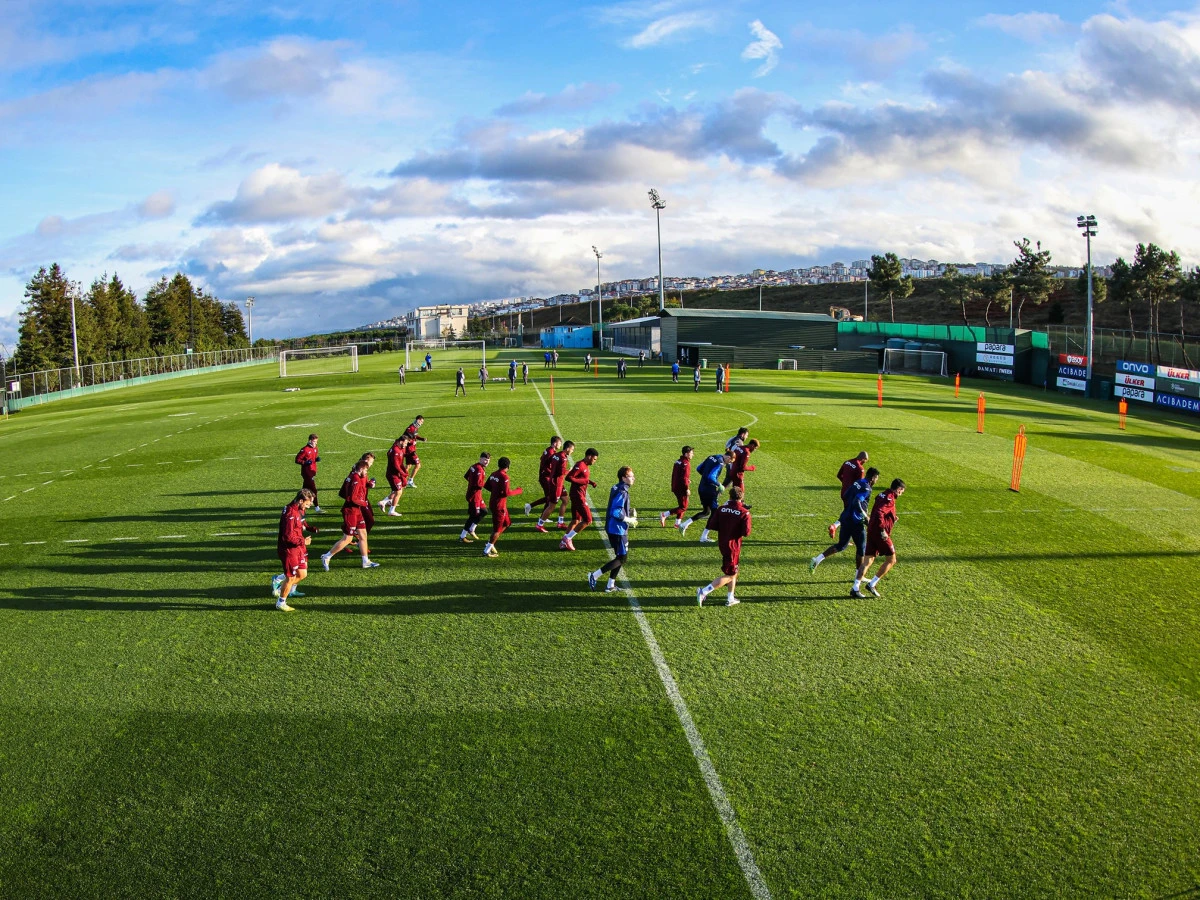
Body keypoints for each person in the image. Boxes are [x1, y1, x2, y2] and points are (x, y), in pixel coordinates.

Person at [810, 467, 880, 577]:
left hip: (846, 518)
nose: (876, 481)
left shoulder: (858, 482)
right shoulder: (867, 488)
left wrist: (850, 509)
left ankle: (817, 559)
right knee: (861, 548)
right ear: (873, 478)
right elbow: (857, 501)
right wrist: (864, 515)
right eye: (877, 479)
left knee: (841, 545)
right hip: (856, 521)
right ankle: (859, 576)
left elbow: (847, 495)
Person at [695, 486, 751, 608]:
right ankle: (704, 591)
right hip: (733, 547)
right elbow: (746, 532)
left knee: (734, 571)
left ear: (729, 496)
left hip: (723, 543)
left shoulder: (722, 509)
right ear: (741, 498)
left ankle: (730, 598)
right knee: (730, 575)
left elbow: (713, 525)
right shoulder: (744, 512)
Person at [320, 457, 381, 570]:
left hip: (356, 511)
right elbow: (352, 498)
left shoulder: (353, 476)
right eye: (366, 470)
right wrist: (363, 502)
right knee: (348, 538)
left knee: (363, 535)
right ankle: (327, 556)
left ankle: (365, 561)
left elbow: (343, 492)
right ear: (361, 469)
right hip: (351, 512)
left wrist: (368, 485)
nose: (366, 473)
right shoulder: (355, 479)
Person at [854, 478, 906, 598]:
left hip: (872, 531)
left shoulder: (882, 494)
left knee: (868, 561)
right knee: (891, 560)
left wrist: (892, 517)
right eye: (902, 491)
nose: (902, 493)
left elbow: (880, 511)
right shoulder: (889, 498)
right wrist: (883, 530)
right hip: (879, 533)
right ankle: (872, 584)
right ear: (898, 489)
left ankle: (855, 588)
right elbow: (878, 513)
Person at [588, 466, 637, 592]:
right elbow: (616, 512)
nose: (633, 478)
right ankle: (594, 575)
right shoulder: (622, 491)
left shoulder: (616, 487)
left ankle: (610, 585)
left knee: (620, 557)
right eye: (631, 476)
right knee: (622, 558)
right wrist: (628, 519)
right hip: (617, 529)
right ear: (623, 478)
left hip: (612, 527)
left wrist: (628, 511)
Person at [272, 488, 317, 611]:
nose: (308, 506)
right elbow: (288, 537)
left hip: (298, 547)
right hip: (289, 550)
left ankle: (280, 585)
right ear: (301, 500)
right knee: (291, 577)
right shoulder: (290, 514)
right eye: (307, 504)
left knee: (302, 574)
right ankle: (281, 602)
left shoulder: (297, 509)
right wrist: (304, 541)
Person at [677, 450, 734, 539]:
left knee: (706, 511)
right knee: (714, 513)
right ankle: (704, 537)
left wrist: (705, 478)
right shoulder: (720, 463)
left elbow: (699, 468)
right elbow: (711, 477)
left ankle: (684, 524)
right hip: (710, 490)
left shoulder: (712, 456)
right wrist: (719, 485)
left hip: (701, 488)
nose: (728, 463)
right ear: (728, 458)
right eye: (729, 461)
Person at [560, 447, 599, 551]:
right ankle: (567, 538)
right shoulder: (580, 465)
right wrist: (584, 482)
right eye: (594, 459)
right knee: (588, 520)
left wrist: (590, 482)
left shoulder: (585, 465)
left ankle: (563, 543)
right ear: (589, 456)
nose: (595, 461)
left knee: (576, 520)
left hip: (577, 494)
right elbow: (569, 477)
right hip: (578, 496)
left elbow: (583, 479)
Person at [483, 456, 523, 557]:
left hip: (494, 503)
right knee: (497, 529)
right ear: (508, 466)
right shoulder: (504, 477)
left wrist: (496, 491)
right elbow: (506, 493)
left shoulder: (493, 474)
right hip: (499, 506)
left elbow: (487, 486)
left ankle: (490, 543)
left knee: (507, 523)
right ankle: (486, 550)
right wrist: (518, 491)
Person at [829, 451, 869, 539]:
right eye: (866, 460)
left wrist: (845, 484)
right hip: (852, 495)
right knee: (852, 514)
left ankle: (841, 531)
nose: (865, 462)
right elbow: (860, 485)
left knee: (848, 513)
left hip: (844, 492)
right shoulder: (860, 468)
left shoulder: (847, 462)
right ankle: (836, 528)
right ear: (864, 459)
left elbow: (839, 475)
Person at [526, 436, 563, 529]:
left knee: (549, 497)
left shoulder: (548, 450)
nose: (560, 445)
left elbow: (541, 459)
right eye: (559, 443)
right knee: (550, 498)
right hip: (545, 477)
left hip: (545, 476)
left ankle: (543, 515)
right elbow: (547, 464)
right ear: (555, 444)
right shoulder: (551, 453)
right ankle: (531, 506)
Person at [459, 451, 491, 542]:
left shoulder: (473, 466)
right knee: (473, 516)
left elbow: (466, 476)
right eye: (485, 460)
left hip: (476, 496)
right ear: (480, 459)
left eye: (488, 460)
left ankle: (471, 529)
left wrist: (471, 484)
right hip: (474, 497)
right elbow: (478, 484)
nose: (486, 462)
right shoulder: (479, 470)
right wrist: (490, 486)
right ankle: (462, 536)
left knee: (484, 511)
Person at [660, 446, 693, 528]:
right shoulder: (686, 464)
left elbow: (678, 475)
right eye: (691, 453)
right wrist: (687, 488)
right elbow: (684, 478)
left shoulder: (678, 461)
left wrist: (687, 481)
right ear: (686, 454)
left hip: (675, 486)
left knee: (682, 505)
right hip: (681, 488)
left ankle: (677, 523)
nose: (693, 455)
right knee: (683, 507)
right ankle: (665, 514)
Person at [379, 434, 410, 517]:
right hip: (393, 474)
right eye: (406, 443)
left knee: (400, 487)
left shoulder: (398, 448)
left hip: (396, 473)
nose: (406, 445)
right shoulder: (396, 451)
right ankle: (391, 511)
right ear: (401, 441)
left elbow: (400, 463)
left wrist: (404, 471)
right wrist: (403, 473)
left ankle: (384, 502)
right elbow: (396, 465)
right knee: (399, 492)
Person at [294, 433, 321, 513]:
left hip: (312, 472)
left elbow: (312, 458)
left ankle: (296, 504)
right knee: (314, 491)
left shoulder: (315, 449)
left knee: (304, 491)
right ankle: (317, 508)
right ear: (310, 441)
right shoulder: (305, 449)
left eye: (316, 442)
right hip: (307, 473)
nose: (316, 443)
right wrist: (305, 462)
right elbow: (297, 460)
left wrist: (316, 460)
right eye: (315, 441)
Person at [402, 415, 426, 486]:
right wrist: (411, 442)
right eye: (421, 421)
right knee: (418, 465)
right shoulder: (411, 428)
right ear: (418, 420)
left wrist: (421, 439)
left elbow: (415, 436)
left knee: (408, 466)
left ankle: (403, 481)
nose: (422, 423)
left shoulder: (415, 427)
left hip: (411, 449)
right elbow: (404, 438)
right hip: (410, 451)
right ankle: (410, 480)